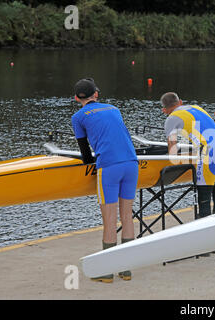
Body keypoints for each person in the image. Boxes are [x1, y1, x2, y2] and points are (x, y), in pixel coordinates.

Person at [71, 78, 138, 283]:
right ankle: (126, 270)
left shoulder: (78, 117)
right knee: (127, 216)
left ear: (76, 98)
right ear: (96, 94)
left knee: (109, 220)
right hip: (131, 163)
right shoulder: (114, 109)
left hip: (109, 167)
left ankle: (106, 272)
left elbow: (86, 156)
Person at [160, 92, 215, 223]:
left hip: (209, 152)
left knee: (204, 200)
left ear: (164, 110)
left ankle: (205, 240)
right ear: (180, 102)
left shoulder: (171, 118)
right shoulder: (197, 108)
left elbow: (172, 151)